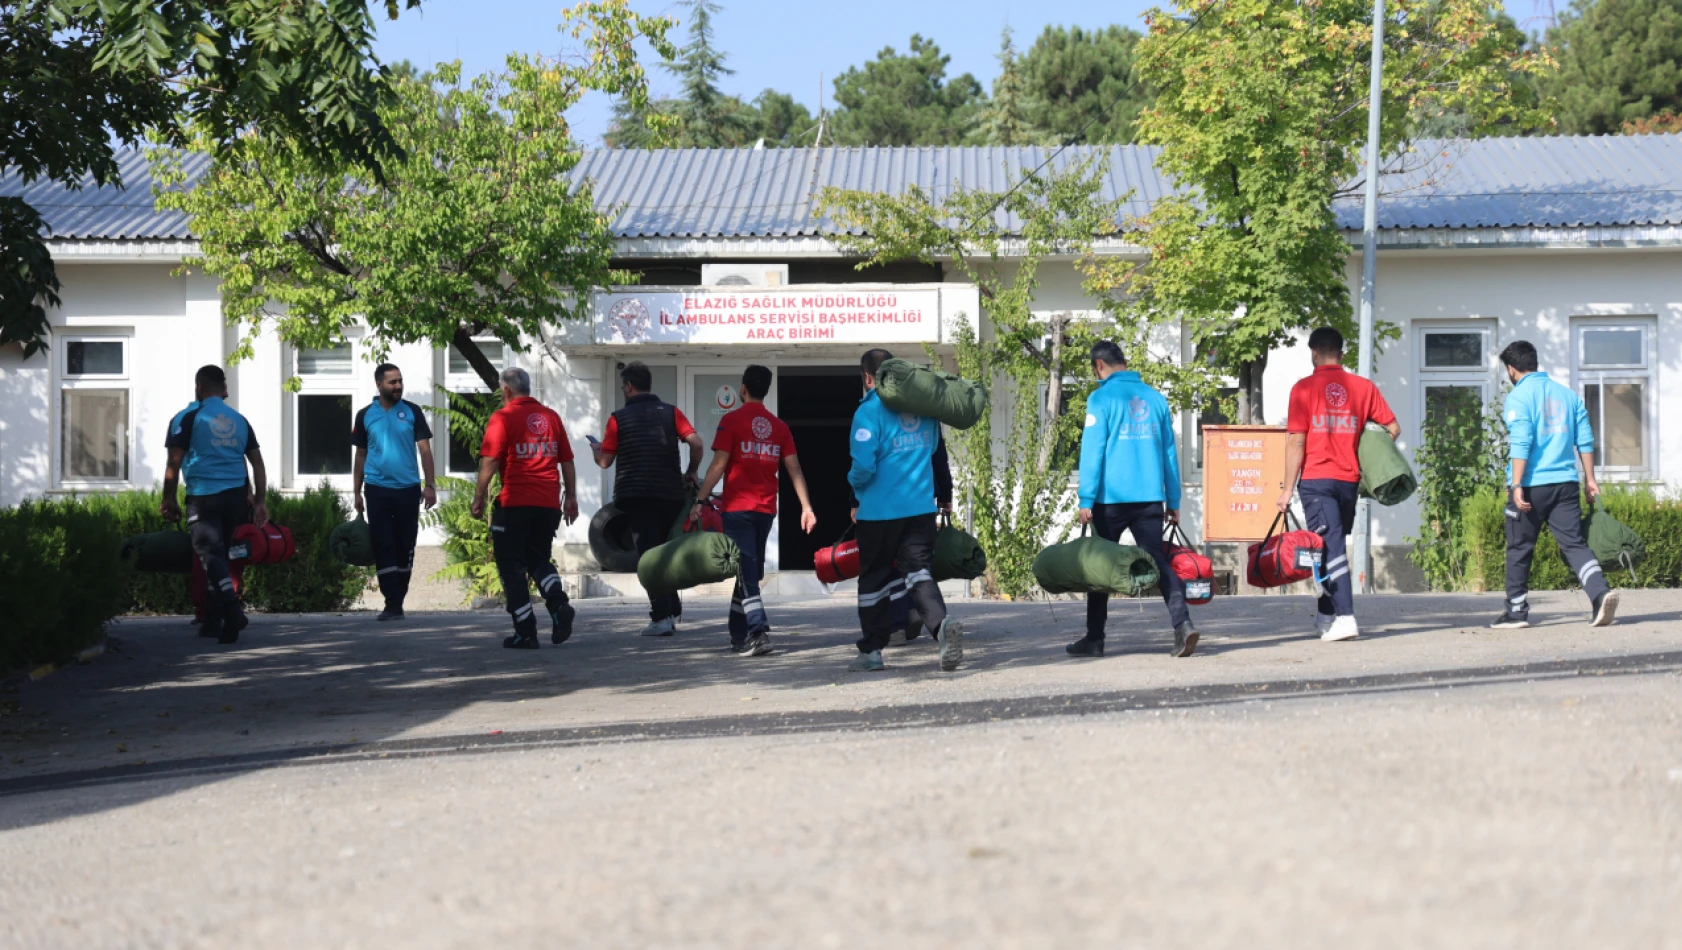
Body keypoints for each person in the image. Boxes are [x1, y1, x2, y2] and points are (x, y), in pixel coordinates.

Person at [1068, 341, 1199, 659]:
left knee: (1100, 567)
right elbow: (1169, 453)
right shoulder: (1155, 399)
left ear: (1099, 365)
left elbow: (1093, 451)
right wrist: (1174, 500)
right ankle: (1182, 626)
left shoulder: (1100, 399)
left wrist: (1086, 498)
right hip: (1150, 498)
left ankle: (1095, 639)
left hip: (1109, 500)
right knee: (1157, 559)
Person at [1278, 326, 1401, 642]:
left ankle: (1346, 618)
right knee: (1328, 546)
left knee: (1329, 546)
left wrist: (1286, 489)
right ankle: (1326, 616)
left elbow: (1296, 441)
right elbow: (1392, 428)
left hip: (1317, 481)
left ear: (1314, 353)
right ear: (1341, 353)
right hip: (1348, 481)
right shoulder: (1362, 387)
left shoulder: (1303, 389)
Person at [846, 348, 963, 673]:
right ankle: (940, 627)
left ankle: (872, 651)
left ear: (868, 378)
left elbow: (864, 466)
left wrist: (853, 487)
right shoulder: (923, 410)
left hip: (879, 514)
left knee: (874, 579)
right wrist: (945, 493)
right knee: (918, 572)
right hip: (919, 510)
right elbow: (935, 453)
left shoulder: (868, 412)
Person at [1492, 340, 1620, 629]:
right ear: (1534, 363)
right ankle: (1600, 594)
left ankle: (1516, 611)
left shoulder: (1519, 397)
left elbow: (1521, 442)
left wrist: (1516, 484)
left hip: (1532, 485)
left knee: (1520, 547)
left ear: (1511, 369)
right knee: (1574, 543)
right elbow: (1585, 440)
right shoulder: (1568, 395)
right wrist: (1590, 479)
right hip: (1565, 484)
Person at [693, 365, 817, 657]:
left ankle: (758, 633)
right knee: (748, 570)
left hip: (737, 509)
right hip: (765, 510)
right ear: (766, 390)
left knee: (748, 573)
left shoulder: (731, 421)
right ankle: (738, 635)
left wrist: (699, 500)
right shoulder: (779, 427)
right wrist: (806, 507)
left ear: (743, 388)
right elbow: (794, 468)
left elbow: (719, 464)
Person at [591, 361, 704, 637]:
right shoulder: (671, 412)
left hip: (637, 497)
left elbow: (605, 462)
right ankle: (671, 606)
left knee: (648, 559)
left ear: (628, 386)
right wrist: (691, 471)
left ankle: (662, 617)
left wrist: (596, 449)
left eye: (622, 386)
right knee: (664, 553)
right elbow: (696, 443)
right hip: (670, 495)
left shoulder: (618, 419)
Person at [470, 367, 579, 650]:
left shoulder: (503, 417)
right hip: (548, 503)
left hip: (514, 502)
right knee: (539, 559)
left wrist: (479, 496)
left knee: (511, 568)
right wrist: (571, 498)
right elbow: (566, 460)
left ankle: (526, 632)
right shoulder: (550, 417)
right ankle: (558, 605)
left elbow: (490, 462)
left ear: (506, 390)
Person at [161, 365, 267, 645]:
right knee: (220, 556)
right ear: (223, 388)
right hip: (236, 497)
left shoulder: (186, 418)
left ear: (199, 388)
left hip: (204, 496)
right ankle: (213, 622)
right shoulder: (240, 420)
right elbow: (257, 463)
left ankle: (232, 611)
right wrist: (259, 501)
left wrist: (168, 498)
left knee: (210, 556)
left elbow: (174, 462)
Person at [352, 363, 438, 621]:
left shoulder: (412, 411)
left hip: (408, 490)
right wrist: (356, 492)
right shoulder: (365, 414)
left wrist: (430, 485)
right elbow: (360, 456)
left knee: (404, 543)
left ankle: (398, 598)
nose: (398, 386)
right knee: (383, 544)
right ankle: (392, 602)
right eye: (392, 382)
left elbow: (425, 451)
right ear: (379, 385)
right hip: (376, 489)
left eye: (400, 381)